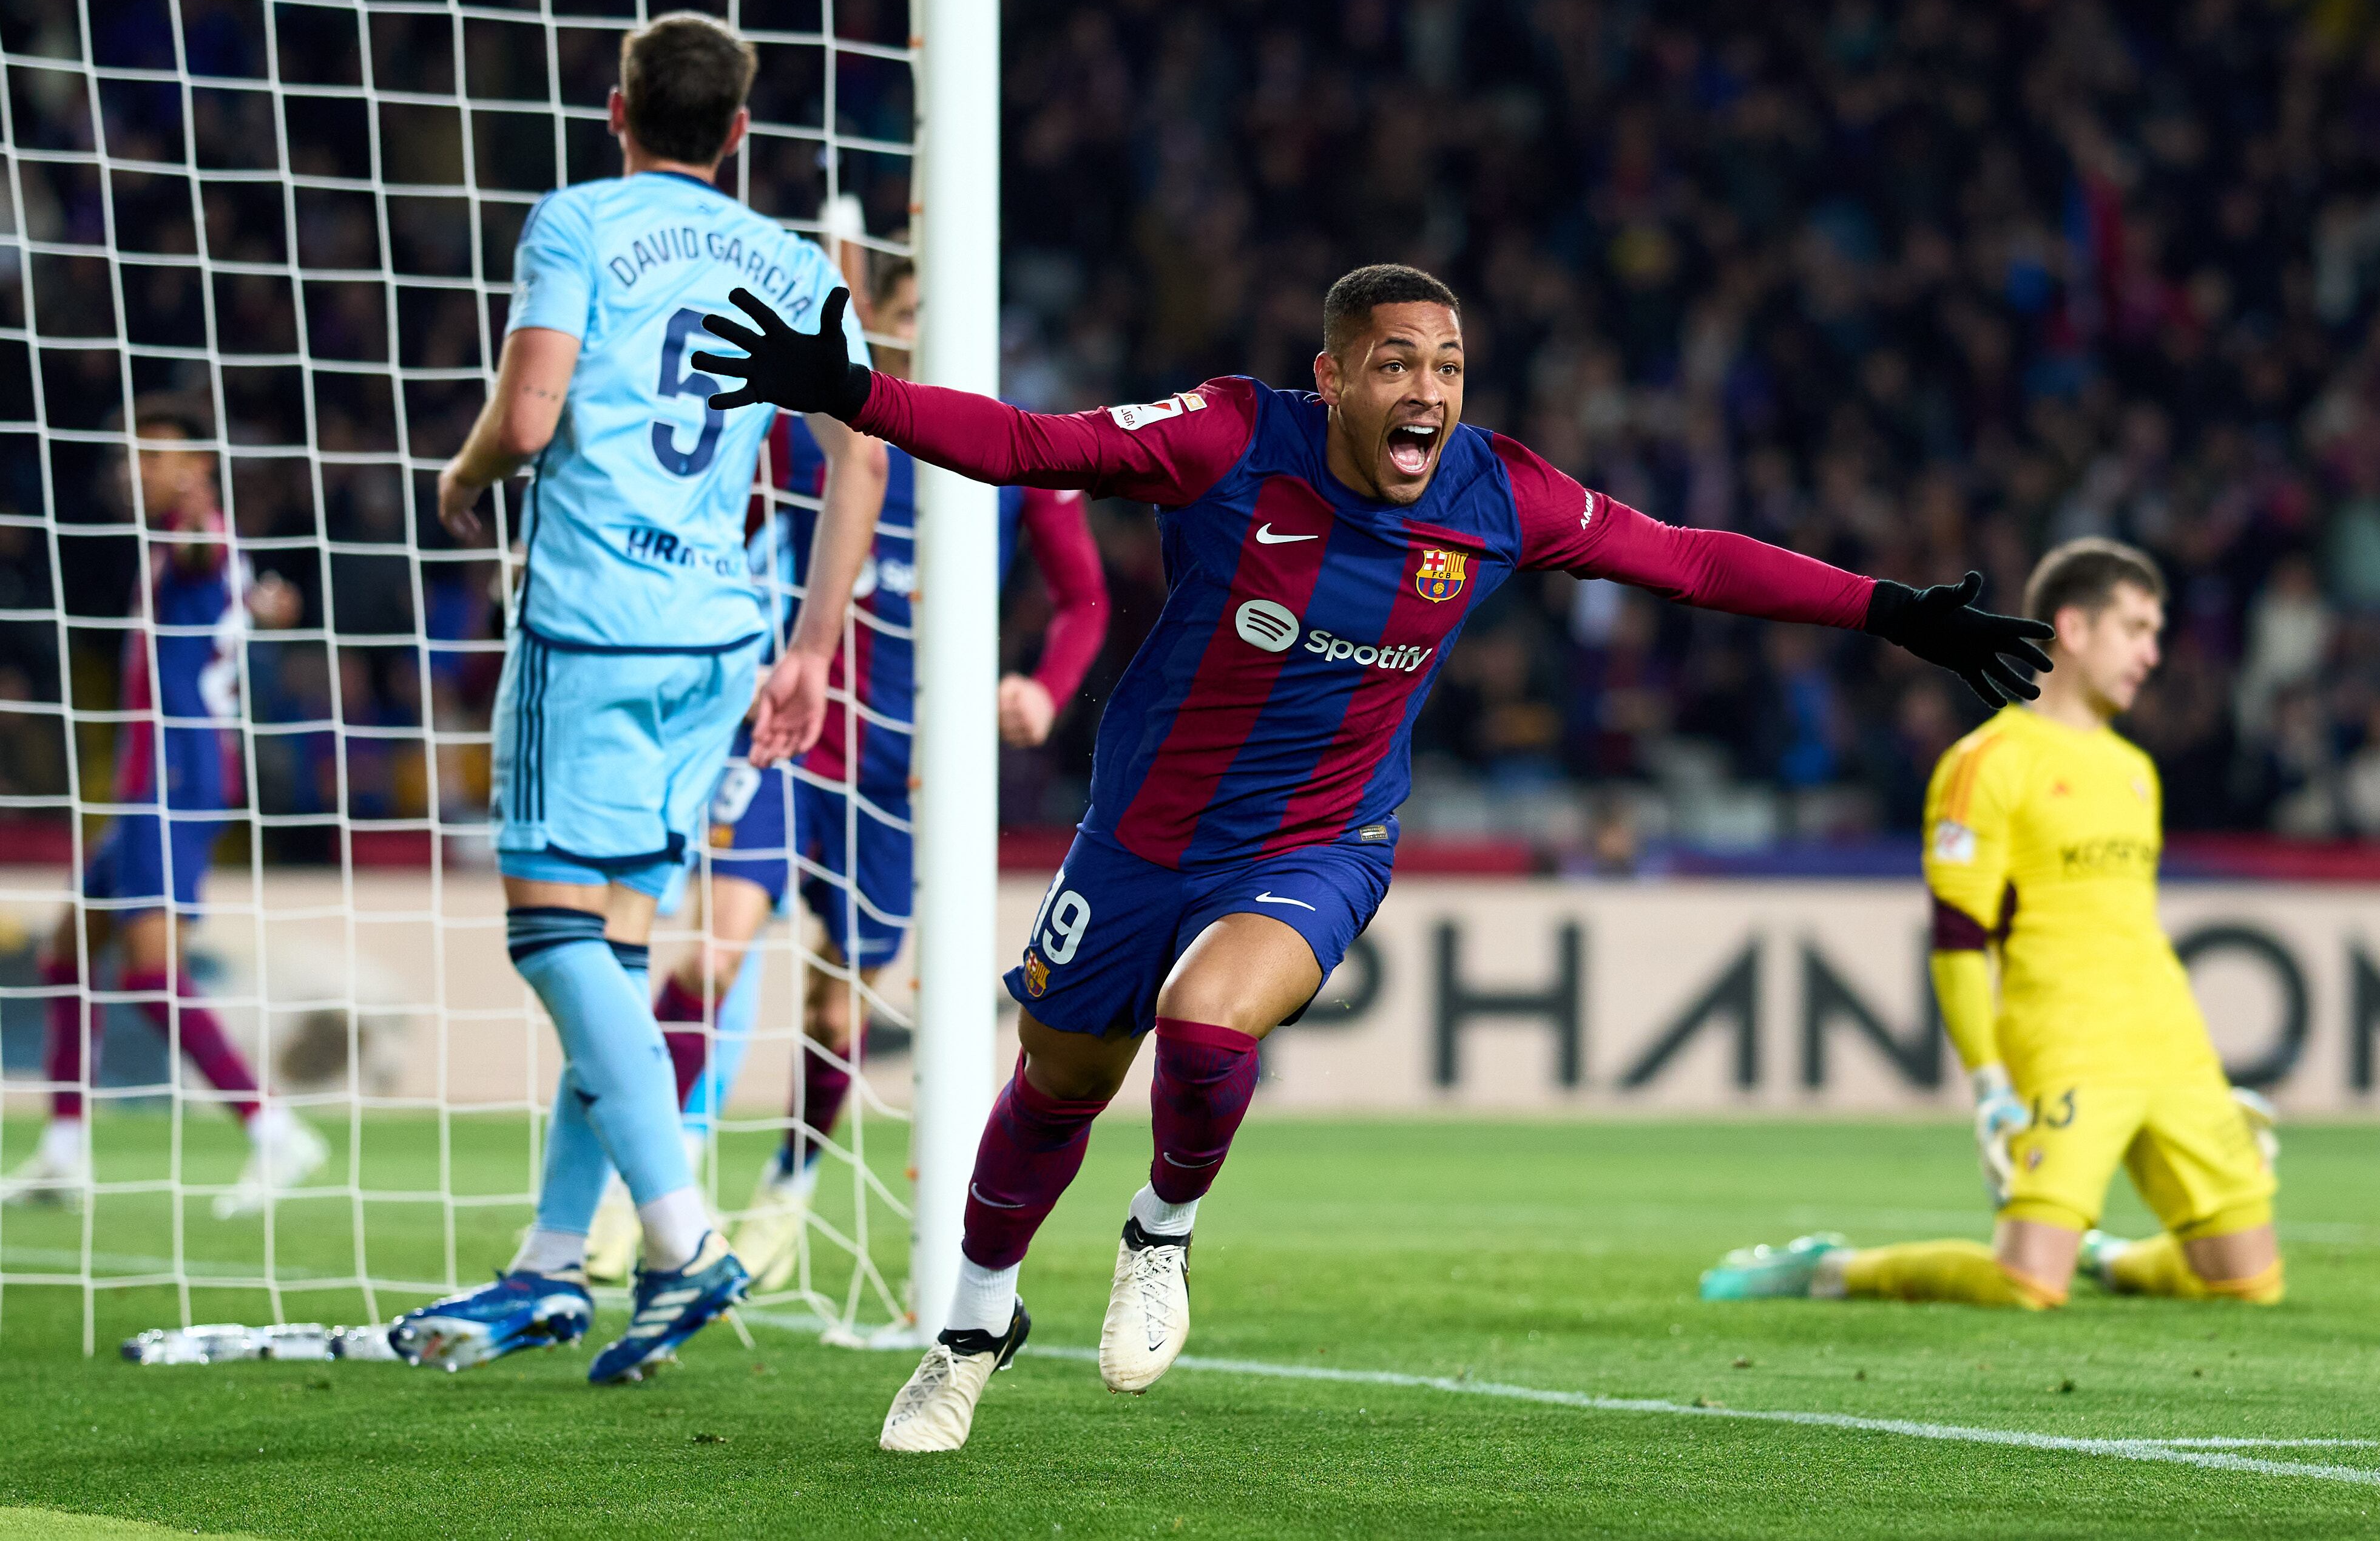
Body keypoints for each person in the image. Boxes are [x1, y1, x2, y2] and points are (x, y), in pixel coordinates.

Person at [695, 262, 2050, 1451]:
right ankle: (974, 1325)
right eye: (1396, 361)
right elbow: (1029, 443)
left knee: (1208, 1024)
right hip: (1144, 832)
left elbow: (1686, 558)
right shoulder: (1229, 437)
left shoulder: (1498, 491)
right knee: (1057, 1083)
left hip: (1320, 837)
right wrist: (859, 393)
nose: (1428, 387)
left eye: (1448, 363)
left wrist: (1890, 612)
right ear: (1330, 375)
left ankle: (1159, 1232)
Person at [383, 11, 888, 1384]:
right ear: (737, 132)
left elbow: (532, 413)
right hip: (724, 639)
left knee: (550, 942)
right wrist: (812, 647)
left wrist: (463, 474)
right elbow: (866, 462)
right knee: (609, 952)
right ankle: (552, 1263)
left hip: (595, 625)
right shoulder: (795, 262)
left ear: (618, 112)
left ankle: (680, 1238)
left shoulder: (576, 221)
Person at [592, 259, 1110, 1289]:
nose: (927, 334)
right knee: (709, 956)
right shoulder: (809, 429)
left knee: (838, 1012)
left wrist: (1046, 691)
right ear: (875, 322)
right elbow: (722, 536)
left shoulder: (1017, 450)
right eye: (910, 315)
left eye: (945, 315)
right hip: (794, 735)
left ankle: (787, 1188)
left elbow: (1085, 602)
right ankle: (644, 1194)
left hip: (911, 773)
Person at [1700, 539, 2284, 1312]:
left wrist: (2203, 1078)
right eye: (2137, 628)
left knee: (2249, 1281)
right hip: (2066, 1045)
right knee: (2025, 1284)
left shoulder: (2135, 772)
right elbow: (1957, 938)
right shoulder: (1990, 763)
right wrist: (1988, 1082)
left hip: (2175, 1045)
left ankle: (2108, 1260)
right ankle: (1831, 1269)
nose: (2153, 653)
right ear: (2072, 628)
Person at [0, 393, 317, 1218]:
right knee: (68, 951)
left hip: (174, 781)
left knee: (150, 973)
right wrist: (264, 601)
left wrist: (199, 520)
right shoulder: (198, 551)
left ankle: (274, 1127)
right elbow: (234, 595)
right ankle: (64, 1150)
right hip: (152, 780)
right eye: (133, 456)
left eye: (158, 454)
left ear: (196, 466)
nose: (139, 469)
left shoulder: (196, 537)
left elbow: (203, 554)